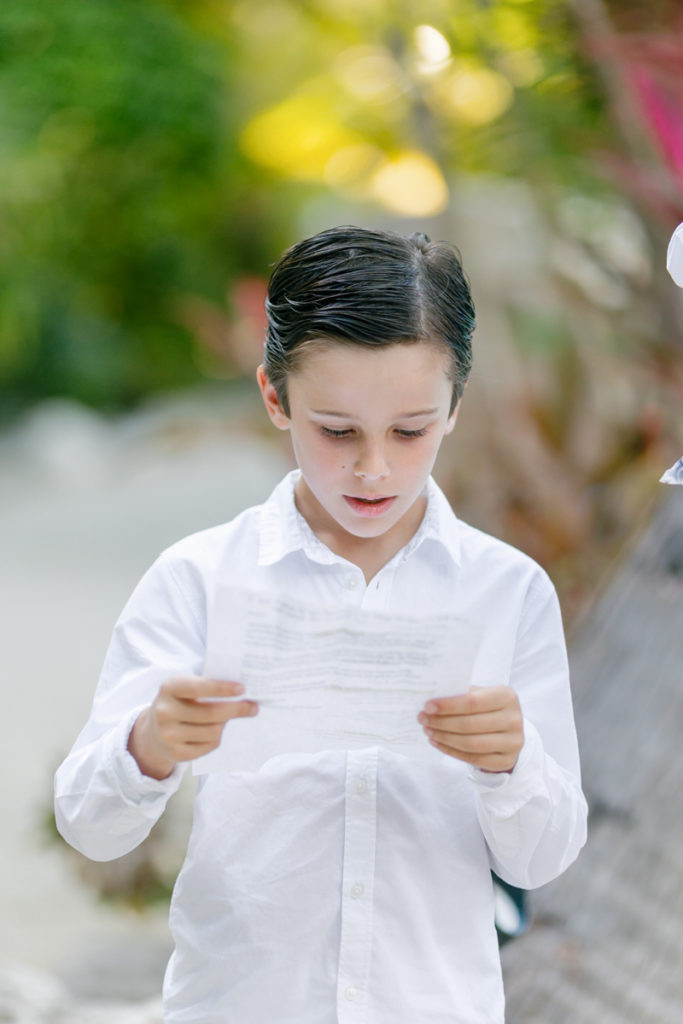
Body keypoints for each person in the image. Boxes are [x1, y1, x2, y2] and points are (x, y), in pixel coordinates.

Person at [54, 225, 587, 1023]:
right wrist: (151, 744)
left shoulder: (505, 591)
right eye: (336, 430)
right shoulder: (198, 579)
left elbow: (544, 857)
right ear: (275, 397)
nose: (373, 468)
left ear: (453, 407)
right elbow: (92, 829)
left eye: (409, 431)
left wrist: (511, 764)